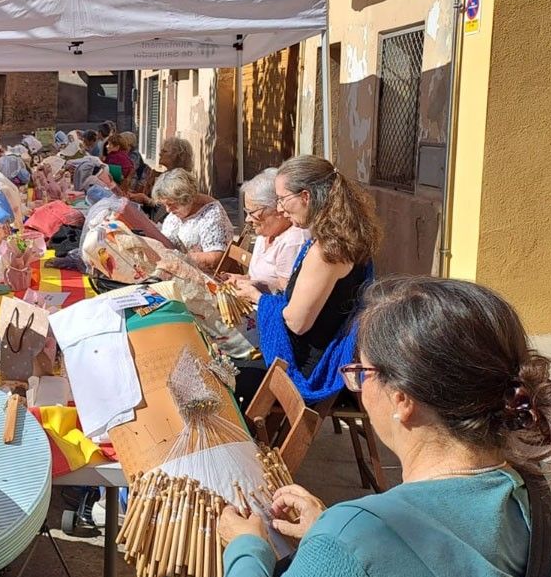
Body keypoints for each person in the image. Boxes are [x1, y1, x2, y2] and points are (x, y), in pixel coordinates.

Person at [213, 275, 551, 577]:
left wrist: (249, 549)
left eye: (360, 372)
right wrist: (332, 533)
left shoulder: (354, 542)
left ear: (402, 400)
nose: (356, 386)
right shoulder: (548, 499)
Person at [231, 155, 382, 408]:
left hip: (310, 370)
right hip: (320, 353)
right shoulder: (345, 237)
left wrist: (259, 298)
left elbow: (297, 322)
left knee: (226, 376)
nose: (279, 209)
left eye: (282, 199)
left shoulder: (326, 252)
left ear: (306, 196)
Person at [227, 168, 310, 293]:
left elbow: (286, 293)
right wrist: (240, 279)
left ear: (277, 208)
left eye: (253, 212)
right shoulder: (264, 234)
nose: (248, 219)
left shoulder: (294, 240)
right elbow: (257, 278)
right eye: (246, 212)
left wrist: (252, 287)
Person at [151, 168, 233, 271]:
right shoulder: (180, 211)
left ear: (187, 198)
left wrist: (178, 258)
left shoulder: (212, 216)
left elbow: (214, 259)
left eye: (171, 204)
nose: (168, 210)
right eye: (165, 205)